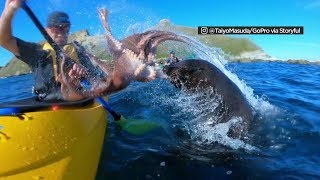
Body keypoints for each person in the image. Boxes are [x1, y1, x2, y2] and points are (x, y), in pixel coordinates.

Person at [0, 0, 91, 101]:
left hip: (80, 99)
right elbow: (4, 40)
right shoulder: (36, 51)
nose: (61, 32)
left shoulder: (79, 52)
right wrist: (9, 10)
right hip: (47, 101)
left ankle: (74, 90)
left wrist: (84, 75)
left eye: (65, 28)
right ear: (46, 30)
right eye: (55, 28)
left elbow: (96, 77)